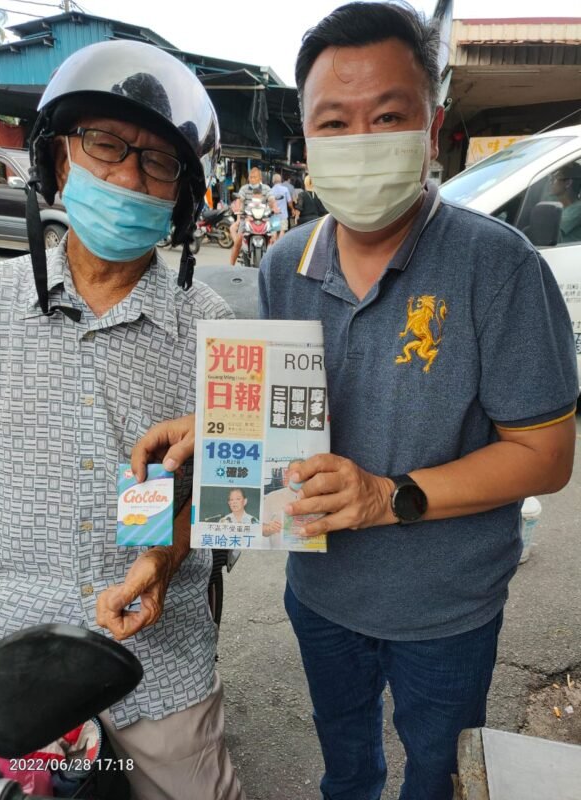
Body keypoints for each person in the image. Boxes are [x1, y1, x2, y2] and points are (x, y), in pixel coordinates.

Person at [131, 3, 578, 799]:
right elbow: (282, 412)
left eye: (389, 116)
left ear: (431, 129)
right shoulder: (285, 262)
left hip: (448, 611)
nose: (361, 140)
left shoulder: (499, 266)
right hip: (322, 594)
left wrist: (387, 496)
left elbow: (545, 456)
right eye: (335, 122)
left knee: (437, 773)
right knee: (345, 763)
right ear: (308, 142)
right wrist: (222, 426)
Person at [0, 39, 245, 800]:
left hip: (160, 667)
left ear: (180, 198)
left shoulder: (215, 331)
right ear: (58, 160)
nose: (129, 176)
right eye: (105, 144)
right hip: (9, 653)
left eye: (157, 162)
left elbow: (239, 501)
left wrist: (162, 560)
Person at [229, 166, 276, 265]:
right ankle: (231, 265)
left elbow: (271, 199)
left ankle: (274, 265)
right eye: (250, 177)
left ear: (260, 178)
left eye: (254, 177)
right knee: (238, 241)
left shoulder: (266, 188)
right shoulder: (244, 188)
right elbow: (239, 199)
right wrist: (238, 209)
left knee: (275, 240)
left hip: (264, 219)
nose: (252, 179)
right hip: (246, 218)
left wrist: (274, 207)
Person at [262, 460, 304, 548]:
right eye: (295, 472)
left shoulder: (318, 498)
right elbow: (262, 530)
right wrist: (269, 528)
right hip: (279, 551)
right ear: (287, 474)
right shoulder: (272, 497)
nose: (299, 476)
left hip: (309, 548)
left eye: (303, 473)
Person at [548, 161, 581, 243]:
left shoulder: (577, 209)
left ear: (568, 183)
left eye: (555, 178)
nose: (551, 182)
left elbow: (548, 230)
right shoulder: (560, 205)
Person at [269, 172, 295, 239]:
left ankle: (274, 244)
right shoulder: (285, 189)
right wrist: (292, 209)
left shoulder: (271, 191)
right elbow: (289, 202)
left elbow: (269, 204)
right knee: (282, 231)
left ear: (273, 181)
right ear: (280, 180)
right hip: (283, 215)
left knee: (274, 231)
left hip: (274, 215)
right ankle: (280, 244)